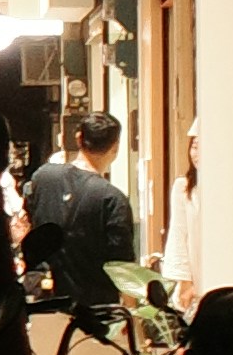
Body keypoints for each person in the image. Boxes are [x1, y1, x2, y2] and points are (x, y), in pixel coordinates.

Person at [22, 109, 143, 304]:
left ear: (78, 139)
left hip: (42, 302)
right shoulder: (112, 199)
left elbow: (29, 223)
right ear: (115, 147)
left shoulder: (43, 177)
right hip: (94, 310)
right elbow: (123, 267)